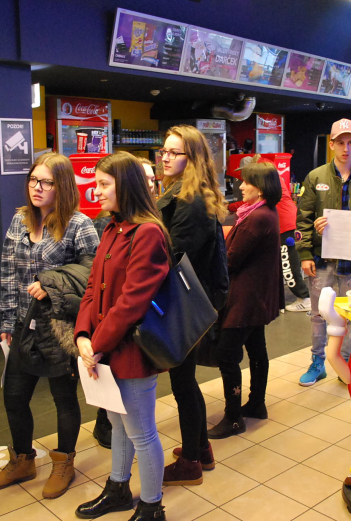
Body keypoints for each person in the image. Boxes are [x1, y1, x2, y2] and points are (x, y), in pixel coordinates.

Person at [0, 153, 99, 498]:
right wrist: (6, 319)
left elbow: (93, 275)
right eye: (33, 180)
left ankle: (64, 461)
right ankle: (23, 459)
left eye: (46, 182)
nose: (37, 187)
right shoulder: (20, 221)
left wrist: (51, 284)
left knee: (63, 398)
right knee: (14, 396)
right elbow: (7, 274)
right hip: (24, 325)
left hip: (60, 328)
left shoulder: (79, 225)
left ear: (61, 186)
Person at [75, 152, 170, 521]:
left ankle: (151, 506)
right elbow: (91, 288)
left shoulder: (147, 233)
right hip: (106, 349)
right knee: (116, 422)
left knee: (142, 432)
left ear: (125, 185)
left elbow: (132, 303)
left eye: (102, 184)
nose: (94, 191)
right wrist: (83, 335)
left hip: (131, 351)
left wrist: (94, 345)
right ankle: (118, 488)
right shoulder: (113, 228)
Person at [157, 125, 227, 485]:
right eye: (164, 151)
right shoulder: (184, 193)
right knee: (185, 381)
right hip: (189, 300)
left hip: (184, 303)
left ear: (193, 159)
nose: (165, 157)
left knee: (183, 383)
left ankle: (191, 463)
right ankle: (200, 449)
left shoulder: (191, 200)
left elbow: (174, 255)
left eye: (174, 152)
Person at [296, 118, 351, 386]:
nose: (345, 148)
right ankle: (318, 362)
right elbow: (303, 219)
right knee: (319, 314)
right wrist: (305, 253)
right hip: (322, 260)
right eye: (340, 142)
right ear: (331, 144)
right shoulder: (315, 177)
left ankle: (347, 360)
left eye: (350, 142)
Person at [207, 162, 283, 439]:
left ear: (260, 187)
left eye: (246, 182)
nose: (240, 186)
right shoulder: (266, 212)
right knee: (256, 349)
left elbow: (230, 259)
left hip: (245, 300)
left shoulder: (256, 218)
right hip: (257, 297)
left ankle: (233, 416)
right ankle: (257, 403)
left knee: (227, 355)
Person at [229, 155, 310, 312]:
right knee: (280, 264)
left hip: (285, 223)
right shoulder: (270, 174)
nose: (242, 181)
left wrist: (230, 206)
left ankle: (304, 297)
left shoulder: (265, 178)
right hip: (283, 221)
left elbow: (252, 200)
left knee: (287, 264)